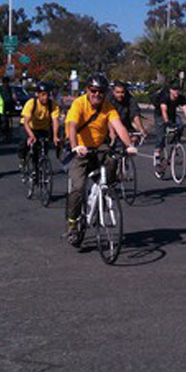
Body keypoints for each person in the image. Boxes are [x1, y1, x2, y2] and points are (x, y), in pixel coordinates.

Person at [64, 74, 137, 247]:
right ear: (87, 90)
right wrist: (76, 147)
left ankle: (105, 189)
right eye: (93, 91)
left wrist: (129, 146)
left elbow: (119, 126)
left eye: (101, 92)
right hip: (81, 149)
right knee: (78, 187)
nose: (97, 94)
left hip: (99, 147)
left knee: (113, 160)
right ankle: (73, 223)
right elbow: (72, 126)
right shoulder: (79, 104)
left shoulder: (108, 107)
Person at [19, 82, 61, 167]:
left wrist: (55, 136)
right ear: (38, 94)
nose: (45, 97)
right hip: (29, 127)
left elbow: (55, 121)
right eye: (43, 94)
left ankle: (41, 167)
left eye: (48, 94)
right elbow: (26, 122)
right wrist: (31, 135)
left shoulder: (53, 105)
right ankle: (22, 158)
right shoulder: (31, 103)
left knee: (43, 148)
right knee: (24, 143)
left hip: (43, 128)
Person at [152, 82, 186, 164]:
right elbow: (163, 110)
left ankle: (175, 144)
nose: (176, 92)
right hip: (160, 115)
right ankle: (157, 152)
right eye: (174, 90)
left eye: (178, 90)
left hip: (172, 114)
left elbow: (185, 109)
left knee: (180, 125)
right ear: (170, 90)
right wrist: (166, 122)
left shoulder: (181, 98)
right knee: (161, 132)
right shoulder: (165, 97)